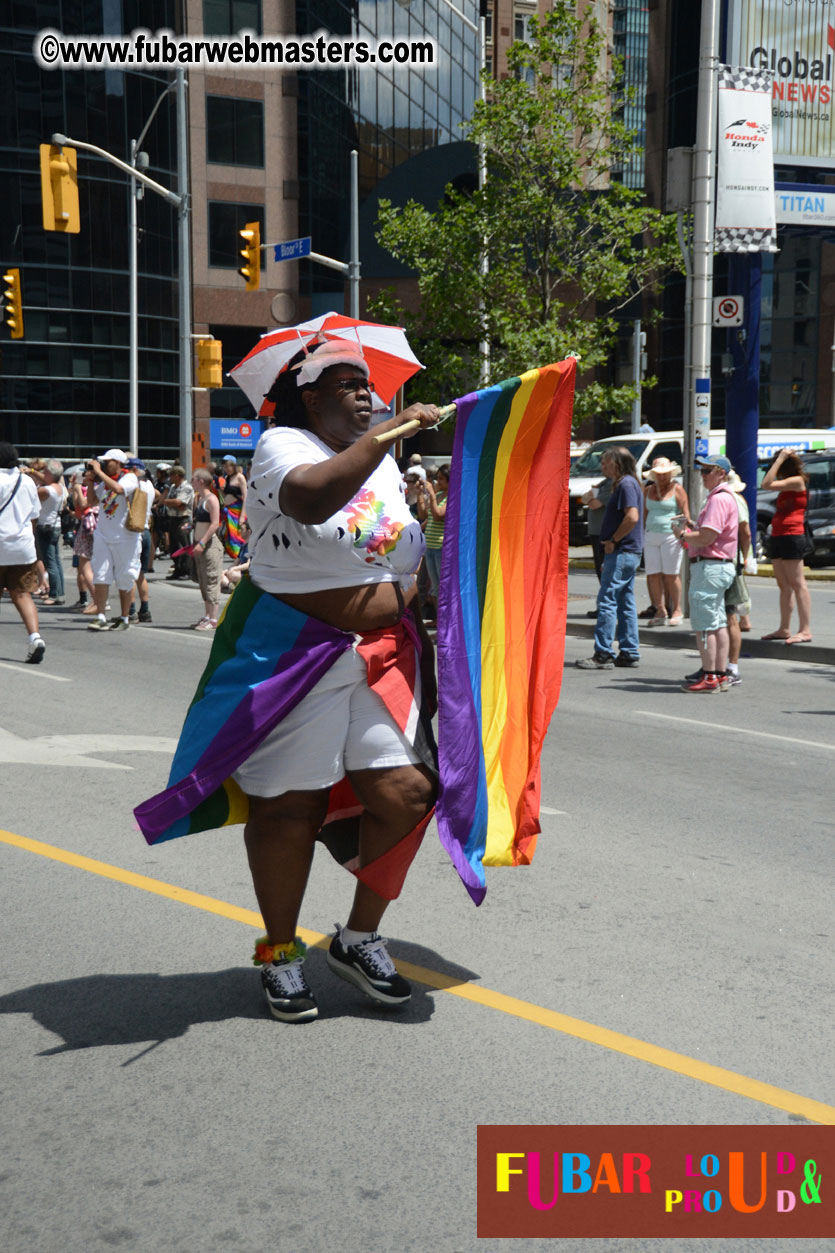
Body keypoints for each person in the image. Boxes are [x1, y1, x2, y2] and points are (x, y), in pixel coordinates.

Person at [138, 341, 440, 1024]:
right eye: (346, 384)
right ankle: (279, 953)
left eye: (369, 386)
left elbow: (394, 548)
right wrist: (387, 435)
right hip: (294, 652)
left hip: (381, 655)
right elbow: (309, 500)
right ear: (309, 397)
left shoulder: (383, 460)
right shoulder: (282, 446)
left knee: (408, 792)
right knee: (287, 810)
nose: (365, 395)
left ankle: (358, 937)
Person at [672, 454, 739, 693]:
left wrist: (682, 534)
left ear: (721, 473)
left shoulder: (719, 499)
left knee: (704, 625)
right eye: (702, 471)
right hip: (717, 565)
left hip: (710, 565)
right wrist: (692, 529)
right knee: (717, 623)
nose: (702, 475)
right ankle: (719, 674)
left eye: (707, 471)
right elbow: (709, 534)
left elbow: (708, 537)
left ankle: (711, 675)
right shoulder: (723, 497)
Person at [576, 447, 644, 670]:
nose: (603, 466)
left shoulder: (625, 484)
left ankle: (603, 653)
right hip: (627, 551)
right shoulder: (628, 483)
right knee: (625, 600)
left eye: (606, 462)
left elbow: (632, 517)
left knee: (607, 599)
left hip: (621, 550)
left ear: (617, 463)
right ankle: (629, 650)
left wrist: (613, 539)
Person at [759, 448, 812, 644]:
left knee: (798, 583)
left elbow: (766, 483)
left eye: (778, 464)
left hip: (792, 534)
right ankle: (784, 628)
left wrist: (780, 458)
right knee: (783, 585)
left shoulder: (797, 481)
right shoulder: (785, 484)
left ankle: (805, 629)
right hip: (779, 534)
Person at [85, 449, 142, 632]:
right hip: (103, 534)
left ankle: (125, 617)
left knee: (125, 576)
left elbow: (118, 490)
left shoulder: (129, 478)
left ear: (117, 462)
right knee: (100, 574)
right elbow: (92, 501)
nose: (102, 465)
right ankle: (101, 616)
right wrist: (91, 482)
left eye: (106, 462)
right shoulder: (105, 481)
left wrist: (99, 473)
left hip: (125, 537)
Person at [0, 442, 46, 663]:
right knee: (22, 594)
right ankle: (35, 637)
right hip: (23, 547)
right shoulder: (26, 481)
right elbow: (34, 515)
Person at [642, 457, 688, 626]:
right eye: (659, 474)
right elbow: (644, 515)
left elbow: (686, 515)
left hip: (670, 535)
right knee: (652, 574)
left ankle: (677, 609)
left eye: (665, 474)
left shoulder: (678, 490)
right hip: (651, 535)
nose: (662, 477)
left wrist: (684, 533)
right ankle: (660, 609)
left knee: (671, 574)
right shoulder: (647, 491)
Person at [190, 467, 222, 629]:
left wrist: (202, 542)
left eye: (193, 479)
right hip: (199, 546)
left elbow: (215, 523)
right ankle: (207, 615)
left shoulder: (211, 499)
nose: (191, 482)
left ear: (201, 481)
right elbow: (202, 522)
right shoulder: (200, 499)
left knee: (211, 580)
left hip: (209, 546)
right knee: (203, 581)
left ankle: (213, 619)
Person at [32, 459, 67, 605]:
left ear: (51, 474)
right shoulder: (60, 488)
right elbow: (47, 479)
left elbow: (31, 494)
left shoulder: (45, 490)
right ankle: (60, 592)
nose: (43, 474)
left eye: (45, 471)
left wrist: (32, 475)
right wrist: (32, 471)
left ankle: (54, 594)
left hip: (44, 526)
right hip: (55, 526)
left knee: (50, 562)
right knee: (56, 561)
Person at [417, 463, 449, 621]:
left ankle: (444, 625)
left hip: (440, 547)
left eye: (441, 479)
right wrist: (420, 495)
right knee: (435, 589)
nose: (438, 482)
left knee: (442, 588)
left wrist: (432, 495)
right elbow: (424, 515)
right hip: (430, 547)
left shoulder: (451, 497)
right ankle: (440, 623)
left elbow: (438, 515)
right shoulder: (440, 495)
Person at [125, 458, 156, 624]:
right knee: (140, 574)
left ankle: (130, 611)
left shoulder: (133, 486)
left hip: (134, 532)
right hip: (145, 531)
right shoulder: (150, 485)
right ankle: (145, 610)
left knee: (129, 574)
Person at [68, 469, 99, 611]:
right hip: (91, 527)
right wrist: (76, 489)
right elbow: (77, 505)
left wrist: (78, 489)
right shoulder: (97, 486)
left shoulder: (96, 487)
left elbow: (84, 504)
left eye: (87, 473)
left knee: (85, 565)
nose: (84, 475)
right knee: (86, 567)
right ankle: (96, 600)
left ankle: (98, 600)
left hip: (90, 528)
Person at [163, 465, 194, 579]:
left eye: (171, 475)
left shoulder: (187, 487)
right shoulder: (172, 487)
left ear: (177, 475)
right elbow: (170, 502)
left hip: (183, 519)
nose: (169, 477)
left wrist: (171, 502)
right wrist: (172, 503)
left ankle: (187, 571)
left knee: (184, 544)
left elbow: (180, 502)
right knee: (174, 546)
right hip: (173, 518)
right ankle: (178, 569)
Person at [218, 455, 248, 559]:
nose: (226, 469)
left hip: (237, 511)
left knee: (237, 536)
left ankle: (240, 558)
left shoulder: (240, 477)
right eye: (224, 467)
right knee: (229, 536)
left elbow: (245, 497)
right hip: (228, 511)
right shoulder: (227, 478)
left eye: (228, 466)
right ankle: (236, 558)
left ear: (233, 466)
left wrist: (242, 516)